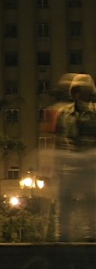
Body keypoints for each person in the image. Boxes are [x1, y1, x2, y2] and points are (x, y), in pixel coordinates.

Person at [53, 73, 96, 241]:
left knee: (92, 201)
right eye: (77, 91)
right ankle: (62, 234)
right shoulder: (64, 113)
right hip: (70, 163)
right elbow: (59, 139)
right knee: (64, 200)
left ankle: (91, 234)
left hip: (91, 164)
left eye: (83, 91)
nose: (79, 94)